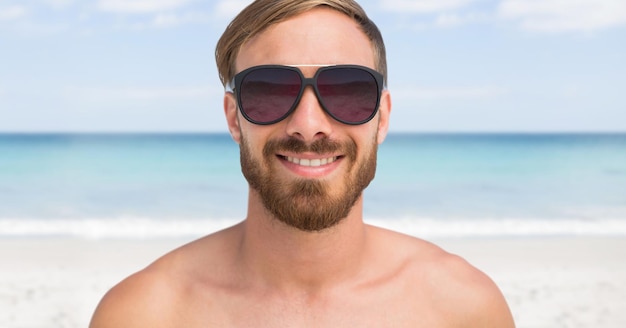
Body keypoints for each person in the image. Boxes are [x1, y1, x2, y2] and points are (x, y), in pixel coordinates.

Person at [90, 0, 515, 327]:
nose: (308, 126)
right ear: (233, 118)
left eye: (347, 89)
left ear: (381, 118)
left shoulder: (463, 309)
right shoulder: (144, 314)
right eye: (269, 91)